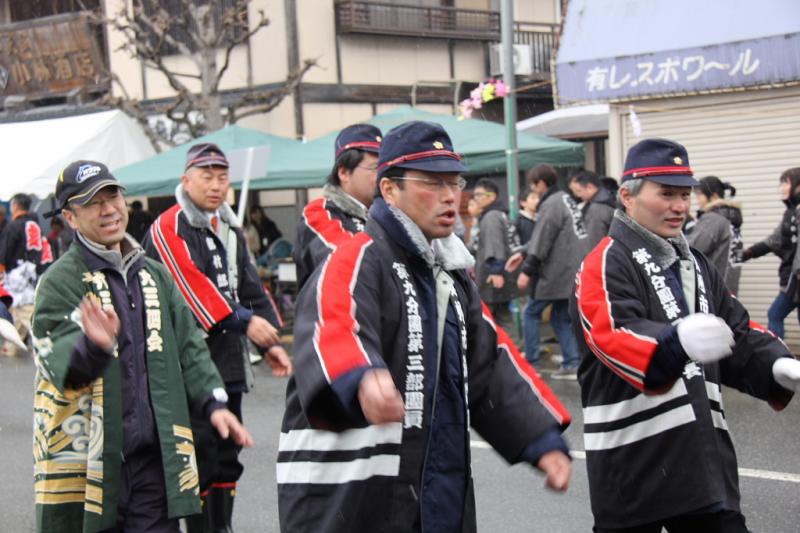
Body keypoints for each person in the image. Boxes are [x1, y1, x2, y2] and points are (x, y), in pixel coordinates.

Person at [278, 121, 572, 533]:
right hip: (352, 495)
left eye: (455, 182)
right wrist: (361, 378)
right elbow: (335, 327)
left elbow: (488, 364)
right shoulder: (357, 258)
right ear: (389, 190)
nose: (451, 196)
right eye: (431, 183)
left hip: (435, 486)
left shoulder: (452, 274)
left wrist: (541, 442)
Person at [572, 138, 800, 533]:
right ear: (627, 196)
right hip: (634, 463)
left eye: (685, 194)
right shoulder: (605, 261)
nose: (680, 206)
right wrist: (674, 344)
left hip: (699, 458)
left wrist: (775, 362)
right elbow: (614, 333)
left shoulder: (694, 261)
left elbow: (736, 330)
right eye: (666, 194)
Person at [32, 160, 252, 533]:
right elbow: (58, 362)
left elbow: (189, 345)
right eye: (92, 203)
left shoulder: (154, 274)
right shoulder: (60, 281)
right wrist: (94, 347)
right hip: (93, 464)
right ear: (70, 217)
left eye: (113, 196)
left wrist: (214, 403)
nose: (109, 209)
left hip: (154, 460)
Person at [143, 143, 292, 532]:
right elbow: (193, 290)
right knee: (199, 453)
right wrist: (246, 322)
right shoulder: (168, 227)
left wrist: (270, 340)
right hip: (185, 362)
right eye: (206, 177)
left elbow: (250, 285)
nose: (216, 185)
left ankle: (221, 527)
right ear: (185, 180)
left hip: (225, 357)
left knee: (228, 451)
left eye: (222, 177)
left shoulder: (227, 226)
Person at [506, 164, 587, 377]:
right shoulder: (566, 199)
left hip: (558, 271)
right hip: (574, 268)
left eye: (534, 185)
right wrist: (523, 252)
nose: (534, 190)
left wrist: (527, 270)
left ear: (541, 183)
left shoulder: (551, 203)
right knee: (560, 316)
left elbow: (542, 239)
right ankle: (572, 362)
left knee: (531, 312)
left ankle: (531, 363)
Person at [293, 123, 382, 289]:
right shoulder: (319, 212)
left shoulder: (381, 216)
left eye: (386, 168)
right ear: (343, 173)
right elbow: (349, 259)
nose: (384, 177)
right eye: (376, 168)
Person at [741, 167, 800, 338]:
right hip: (792, 277)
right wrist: (749, 253)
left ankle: (777, 355)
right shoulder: (791, 212)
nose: (782, 187)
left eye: (786, 182)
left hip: (796, 278)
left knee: (775, 314)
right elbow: (774, 240)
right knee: (776, 314)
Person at [0, 192, 53, 355]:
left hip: (17, 273)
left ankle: (44, 342)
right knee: (16, 311)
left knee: (24, 310)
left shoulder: (14, 226)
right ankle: (12, 346)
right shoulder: (35, 225)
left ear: (15, 205)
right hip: (31, 271)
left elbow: (5, 252)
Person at [472, 178, 521, 346]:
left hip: (493, 277)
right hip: (504, 273)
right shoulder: (500, 213)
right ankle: (515, 351)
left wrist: (495, 271)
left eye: (479, 194)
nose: (476, 198)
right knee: (503, 316)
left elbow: (495, 245)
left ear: (491, 196)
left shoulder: (491, 217)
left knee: (490, 318)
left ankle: (507, 352)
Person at [687, 175, 743, 294]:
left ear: (714, 195)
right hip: (729, 287)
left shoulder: (714, 219)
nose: (697, 200)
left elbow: (692, 248)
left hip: (713, 289)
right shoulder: (731, 218)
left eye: (699, 195)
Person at [569, 170, 615, 248]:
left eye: (579, 191)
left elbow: (593, 244)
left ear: (590, 187)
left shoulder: (597, 209)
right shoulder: (608, 199)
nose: (578, 195)